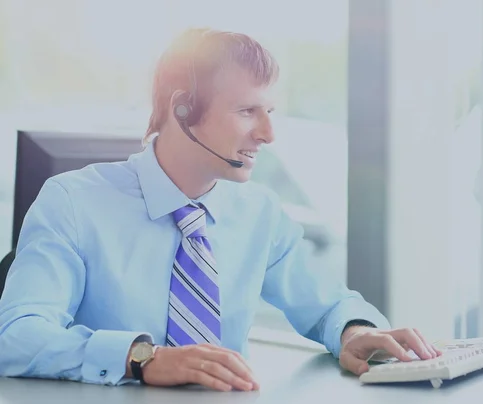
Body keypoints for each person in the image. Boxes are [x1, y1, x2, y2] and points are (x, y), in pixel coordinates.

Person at [0, 28, 440, 391]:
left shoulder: (259, 213)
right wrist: (142, 359)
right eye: (247, 111)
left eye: (269, 111)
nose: (268, 134)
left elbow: (326, 305)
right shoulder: (73, 202)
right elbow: (16, 337)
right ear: (183, 109)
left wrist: (356, 333)